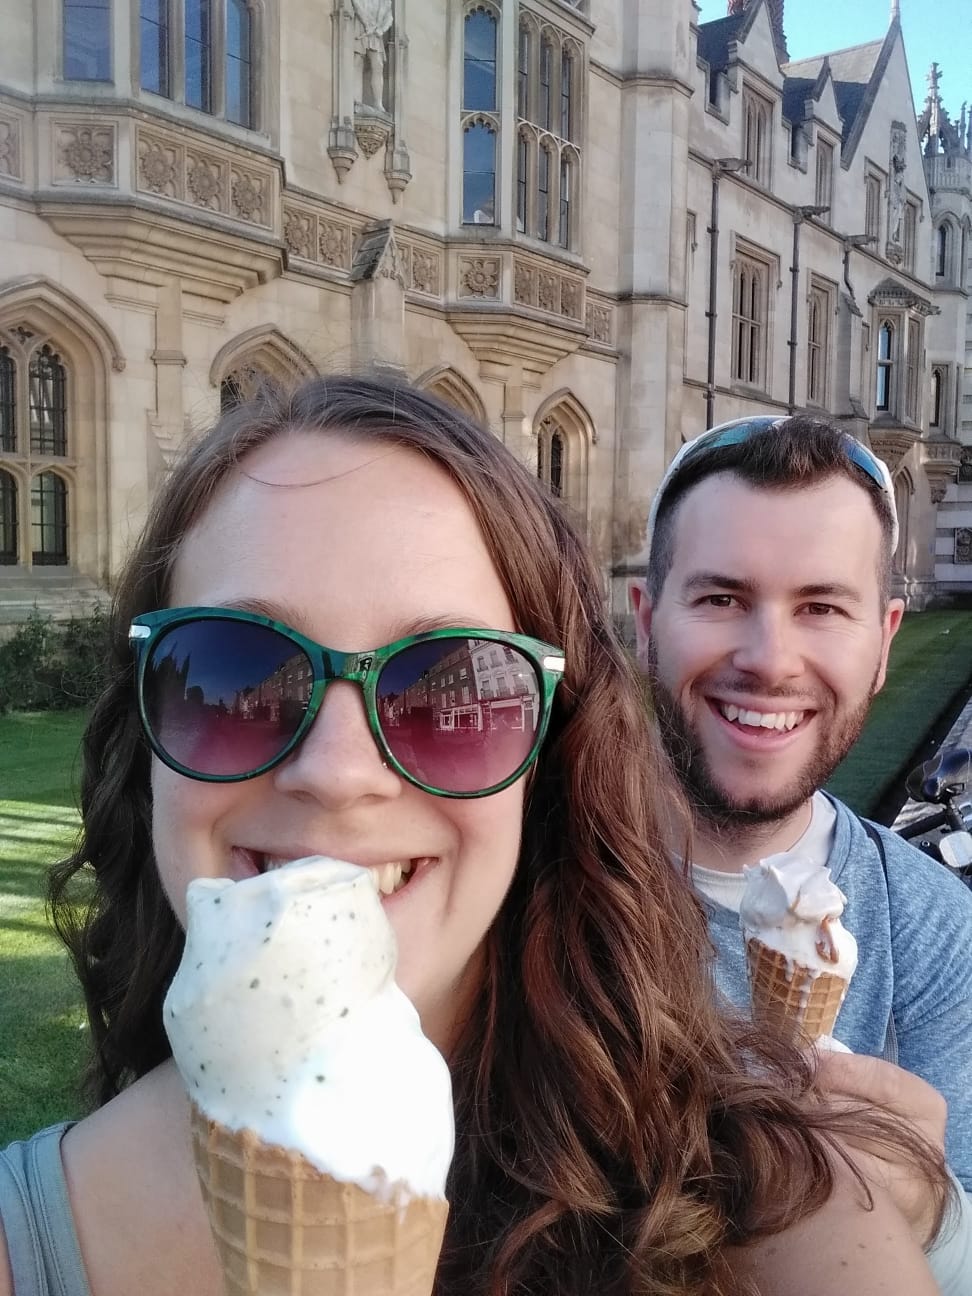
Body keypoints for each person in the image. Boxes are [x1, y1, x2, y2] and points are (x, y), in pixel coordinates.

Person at [0, 379, 952, 1296]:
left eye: (448, 683)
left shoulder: (776, 1201)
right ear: (145, 733)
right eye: (236, 672)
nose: (338, 771)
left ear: (551, 754)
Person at [632, 412, 972, 1289]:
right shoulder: (514, 879)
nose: (770, 660)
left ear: (883, 642)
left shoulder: (935, 931)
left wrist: (934, 1217)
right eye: (720, 599)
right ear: (645, 620)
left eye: (821, 607)